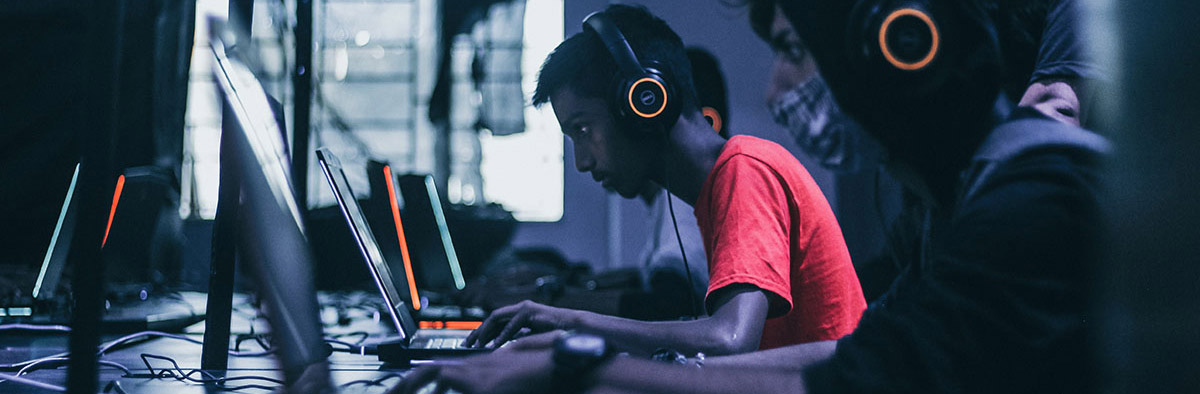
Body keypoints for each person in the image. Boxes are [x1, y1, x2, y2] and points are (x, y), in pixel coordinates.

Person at [393, 0, 1108, 392]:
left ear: (899, 50)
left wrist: (581, 363)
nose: (774, 91)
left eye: (794, 51)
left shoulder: (1030, 204)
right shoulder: (943, 223)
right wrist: (574, 357)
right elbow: (851, 359)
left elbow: (755, 349)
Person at [460, 4, 866, 357]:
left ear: (642, 102)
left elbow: (729, 339)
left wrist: (569, 321)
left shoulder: (745, 169)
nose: (581, 162)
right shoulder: (715, 189)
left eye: (582, 130)